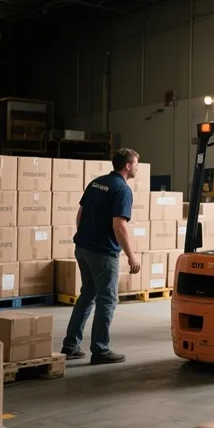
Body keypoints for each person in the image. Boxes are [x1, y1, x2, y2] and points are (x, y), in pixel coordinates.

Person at [61, 148, 142, 365]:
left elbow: (81, 214)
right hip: (103, 253)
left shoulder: (97, 182)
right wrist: (132, 256)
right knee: (107, 300)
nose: (137, 167)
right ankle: (100, 349)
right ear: (127, 165)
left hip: (83, 248)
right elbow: (119, 225)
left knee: (87, 295)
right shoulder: (122, 189)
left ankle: (70, 346)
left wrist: (86, 237)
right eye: (136, 164)